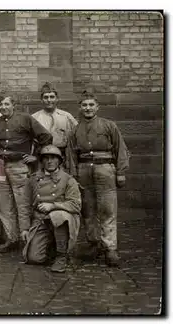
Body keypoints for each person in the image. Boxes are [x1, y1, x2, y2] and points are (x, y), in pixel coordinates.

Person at [0, 93, 53, 252]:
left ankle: (27, 240)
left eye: (6, 104)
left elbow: (46, 137)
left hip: (19, 165)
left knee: (23, 203)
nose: (3, 107)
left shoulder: (26, 119)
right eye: (0, 105)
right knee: (3, 204)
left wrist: (36, 156)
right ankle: (11, 239)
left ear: (13, 105)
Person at [66, 90, 130, 267]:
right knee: (88, 209)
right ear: (80, 108)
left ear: (97, 107)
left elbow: (120, 149)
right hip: (83, 169)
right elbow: (71, 155)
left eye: (91, 105)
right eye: (84, 105)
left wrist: (121, 172)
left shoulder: (109, 125)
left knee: (108, 208)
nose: (88, 108)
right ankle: (94, 244)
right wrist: (73, 176)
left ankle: (110, 248)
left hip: (105, 168)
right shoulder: (75, 130)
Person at [22, 145, 81, 273]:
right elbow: (25, 205)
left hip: (63, 221)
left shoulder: (68, 180)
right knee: (34, 258)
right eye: (46, 158)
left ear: (59, 161)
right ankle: (51, 248)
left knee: (58, 215)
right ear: (41, 161)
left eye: (53, 158)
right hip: (41, 220)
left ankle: (61, 256)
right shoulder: (33, 179)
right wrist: (25, 228)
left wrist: (53, 205)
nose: (49, 162)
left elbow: (76, 205)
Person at [32, 82, 78, 167]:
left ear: (57, 99)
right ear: (41, 100)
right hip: (42, 158)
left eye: (52, 97)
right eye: (46, 97)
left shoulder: (67, 117)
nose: (49, 100)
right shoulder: (34, 118)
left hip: (62, 157)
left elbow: (76, 137)